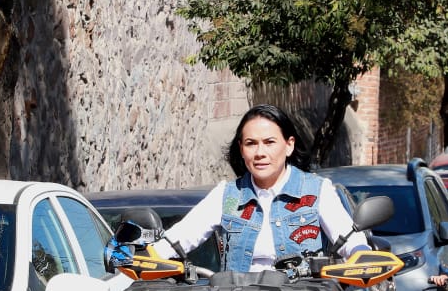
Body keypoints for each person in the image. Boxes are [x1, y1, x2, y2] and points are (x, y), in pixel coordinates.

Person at [155, 104, 368, 270]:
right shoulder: (228, 195)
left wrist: (361, 255)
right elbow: (181, 236)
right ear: (241, 148)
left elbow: (349, 238)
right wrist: (149, 257)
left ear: (289, 145)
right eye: (251, 143)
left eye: (269, 142)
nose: (260, 152)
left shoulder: (317, 190)